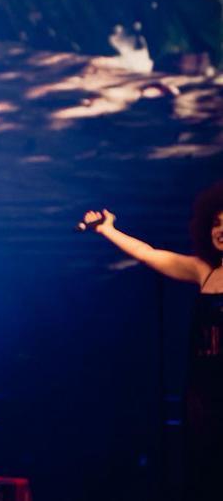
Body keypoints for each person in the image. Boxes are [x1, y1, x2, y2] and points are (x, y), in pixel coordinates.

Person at [82, 183, 223, 501]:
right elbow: (149, 254)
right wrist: (108, 230)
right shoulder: (203, 270)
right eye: (216, 223)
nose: (221, 230)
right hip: (203, 393)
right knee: (205, 469)